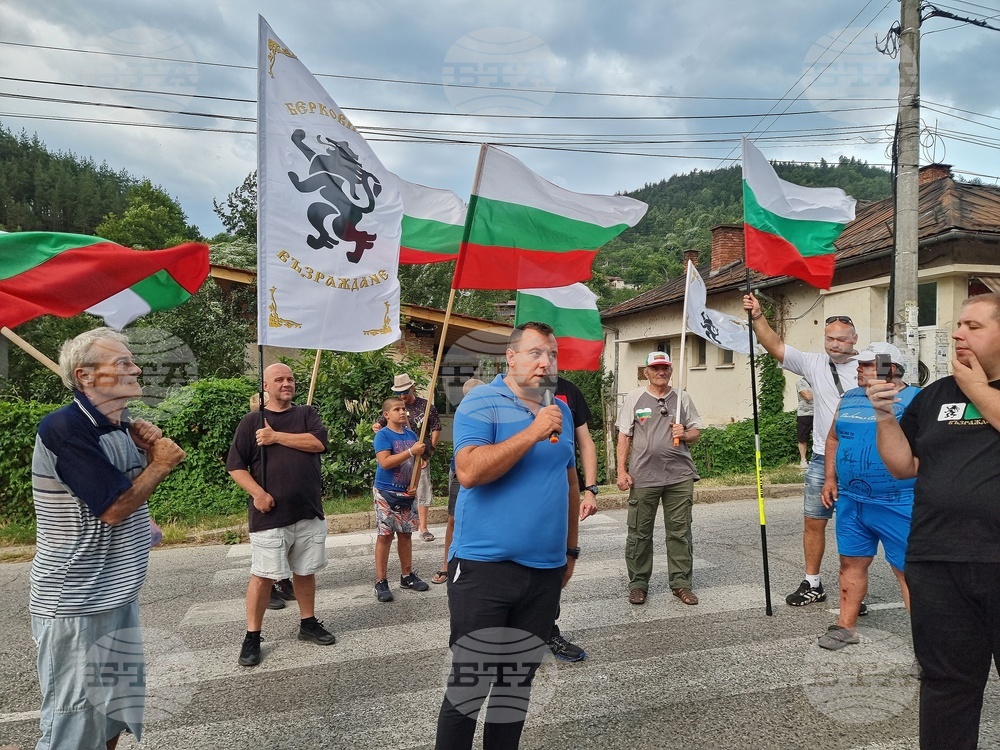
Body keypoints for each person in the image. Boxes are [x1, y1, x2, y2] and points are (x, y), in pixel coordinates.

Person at [30, 328, 186, 749]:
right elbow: (114, 509)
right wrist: (161, 465)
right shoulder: (66, 428)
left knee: (112, 714)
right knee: (75, 727)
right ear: (85, 376)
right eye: (122, 363)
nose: (136, 369)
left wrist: (146, 453)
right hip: (78, 603)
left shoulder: (119, 427)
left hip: (116, 596)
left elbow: (131, 497)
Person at [435, 322, 579, 750]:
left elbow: (569, 481)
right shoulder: (481, 401)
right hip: (484, 568)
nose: (546, 363)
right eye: (535, 353)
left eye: (552, 355)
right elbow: (469, 471)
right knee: (470, 686)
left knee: (515, 687)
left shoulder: (560, 410)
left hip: (545, 570)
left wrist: (570, 549)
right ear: (510, 358)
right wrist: (533, 431)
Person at [869, 294, 1000, 749]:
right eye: (958, 324)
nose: (958, 333)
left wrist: (977, 388)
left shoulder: (973, 387)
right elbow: (903, 466)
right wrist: (885, 417)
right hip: (938, 558)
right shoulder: (936, 395)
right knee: (946, 684)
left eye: (973, 326)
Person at [743, 294, 861, 608]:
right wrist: (758, 316)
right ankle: (812, 582)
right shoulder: (815, 362)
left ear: (854, 339)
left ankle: (853, 588)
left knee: (853, 527)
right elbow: (775, 345)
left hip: (858, 459)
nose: (834, 344)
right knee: (813, 521)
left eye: (841, 339)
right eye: (829, 338)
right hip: (822, 457)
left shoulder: (869, 366)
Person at [227, 363, 336, 668]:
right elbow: (236, 466)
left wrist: (276, 437)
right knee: (263, 575)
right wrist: (257, 493)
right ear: (266, 386)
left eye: (290, 379)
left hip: (308, 510)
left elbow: (318, 443)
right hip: (270, 514)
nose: (287, 383)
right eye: (279, 379)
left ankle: (308, 622)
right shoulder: (252, 421)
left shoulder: (306, 414)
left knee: (305, 570)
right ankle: (252, 636)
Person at [818, 343, 918, 651]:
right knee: (850, 562)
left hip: (900, 502)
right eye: (858, 363)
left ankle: (928, 647)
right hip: (852, 500)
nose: (859, 368)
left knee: (909, 571)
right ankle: (845, 626)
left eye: (867, 364)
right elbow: (833, 437)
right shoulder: (849, 396)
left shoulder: (917, 399)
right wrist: (830, 478)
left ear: (891, 368)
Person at [616, 351, 702, 606]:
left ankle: (681, 584)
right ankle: (638, 584)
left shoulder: (682, 397)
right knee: (639, 534)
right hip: (643, 476)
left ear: (671, 370)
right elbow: (624, 435)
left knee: (680, 533)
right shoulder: (634, 397)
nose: (660, 372)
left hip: (679, 476)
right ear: (646, 372)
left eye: (665, 368)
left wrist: (685, 434)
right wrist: (621, 471)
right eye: (655, 368)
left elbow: (696, 431)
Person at [547, 376, 599, 662]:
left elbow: (585, 442)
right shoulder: (503, 394)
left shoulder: (569, 392)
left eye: (552, 355)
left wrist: (590, 490)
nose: (544, 361)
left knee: (554, 571)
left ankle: (548, 629)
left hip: (558, 497)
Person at [372, 396, 431, 601]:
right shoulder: (383, 435)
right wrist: (410, 451)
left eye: (403, 408)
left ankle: (407, 575)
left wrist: (415, 484)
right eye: (397, 409)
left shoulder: (411, 435)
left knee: (406, 534)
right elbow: (385, 462)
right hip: (386, 492)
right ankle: (381, 581)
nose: (402, 412)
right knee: (385, 535)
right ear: (386, 414)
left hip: (407, 493)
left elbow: (417, 463)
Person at [431, 378, 486, 587]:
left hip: (487, 473)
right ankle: (447, 565)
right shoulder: (463, 414)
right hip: (460, 473)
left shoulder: (494, 413)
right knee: (454, 519)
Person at [375, 373, 442, 542]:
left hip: (420, 454)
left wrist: (429, 452)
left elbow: (436, 428)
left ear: (412, 387)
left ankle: (423, 527)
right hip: (400, 455)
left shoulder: (425, 406)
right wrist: (377, 428)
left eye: (405, 391)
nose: (402, 396)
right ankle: (394, 526)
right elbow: (381, 424)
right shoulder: (394, 406)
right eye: (399, 393)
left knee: (421, 488)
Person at [250, 391, 297, 611]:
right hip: (266, 497)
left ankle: (284, 581)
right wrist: (258, 493)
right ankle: (268, 589)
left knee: (288, 544)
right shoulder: (251, 428)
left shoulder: (287, 426)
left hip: (290, 497)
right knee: (268, 550)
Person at [796, 377, 814, 468]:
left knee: (819, 437)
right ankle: (803, 460)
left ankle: (816, 459)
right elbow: (807, 396)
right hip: (804, 414)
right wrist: (820, 393)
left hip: (819, 413)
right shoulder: (800, 382)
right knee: (802, 438)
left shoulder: (817, 381)